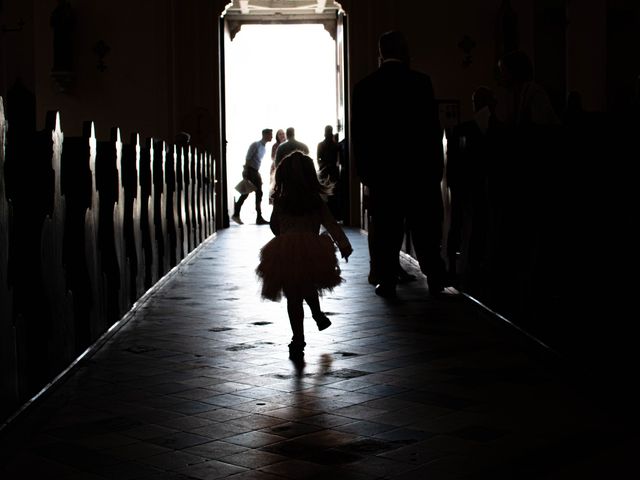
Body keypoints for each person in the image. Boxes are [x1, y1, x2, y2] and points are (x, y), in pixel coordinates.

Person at [351, 30, 448, 299]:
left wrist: (365, 174)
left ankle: (387, 280)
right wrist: (435, 169)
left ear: (380, 53)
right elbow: (432, 131)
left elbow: (361, 138)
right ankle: (435, 277)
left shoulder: (365, 87)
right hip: (418, 173)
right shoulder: (421, 83)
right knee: (425, 229)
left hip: (383, 175)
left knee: (386, 230)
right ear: (404, 51)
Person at [256, 152, 353, 359]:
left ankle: (298, 339)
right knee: (308, 285)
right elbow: (331, 224)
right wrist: (344, 245)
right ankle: (317, 314)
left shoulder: (281, 201)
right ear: (311, 176)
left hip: (285, 250)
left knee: (293, 296)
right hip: (312, 249)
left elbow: (275, 226)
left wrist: (285, 235)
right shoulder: (315, 201)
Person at [232, 128, 272, 225]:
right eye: (270, 134)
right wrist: (245, 171)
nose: (271, 137)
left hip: (255, 171)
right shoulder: (256, 145)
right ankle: (236, 214)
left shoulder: (264, 147)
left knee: (259, 193)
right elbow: (248, 158)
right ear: (265, 135)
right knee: (245, 193)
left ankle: (259, 217)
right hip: (250, 171)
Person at [316, 125, 341, 219]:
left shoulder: (335, 145)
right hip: (327, 171)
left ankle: (331, 214)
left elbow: (319, 158)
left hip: (330, 171)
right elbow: (318, 158)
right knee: (326, 194)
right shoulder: (332, 145)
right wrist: (323, 167)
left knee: (331, 194)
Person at [269, 128, 286, 204]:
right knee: (275, 186)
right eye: (280, 134)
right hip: (276, 167)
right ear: (277, 136)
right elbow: (273, 157)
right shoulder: (275, 145)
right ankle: (274, 202)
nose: (282, 135)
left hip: (285, 167)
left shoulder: (288, 144)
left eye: (283, 133)